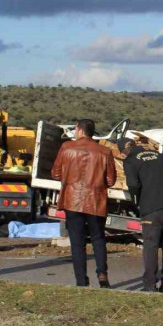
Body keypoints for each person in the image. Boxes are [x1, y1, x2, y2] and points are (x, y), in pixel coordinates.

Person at [51, 119, 116, 288]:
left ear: (79, 130)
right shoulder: (105, 151)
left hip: (72, 200)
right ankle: (102, 274)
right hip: (95, 200)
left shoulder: (67, 148)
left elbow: (56, 173)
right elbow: (111, 180)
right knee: (98, 238)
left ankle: (81, 280)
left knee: (77, 241)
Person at [117, 138, 163, 293]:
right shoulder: (158, 156)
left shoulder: (130, 161)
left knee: (150, 246)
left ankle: (150, 285)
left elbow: (133, 186)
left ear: (124, 151)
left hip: (151, 209)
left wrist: (137, 202)